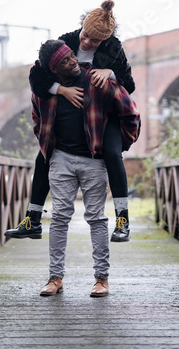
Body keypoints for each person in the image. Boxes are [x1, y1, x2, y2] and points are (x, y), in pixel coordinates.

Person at [5, 0, 136, 242]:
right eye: (85, 36)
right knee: (44, 153)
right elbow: (37, 75)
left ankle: (122, 221)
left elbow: (129, 86)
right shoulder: (66, 40)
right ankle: (32, 220)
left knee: (112, 154)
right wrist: (60, 90)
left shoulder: (114, 49)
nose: (86, 43)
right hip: (77, 111)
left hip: (107, 114)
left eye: (94, 41)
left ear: (104, 40)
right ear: (81, 28)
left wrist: (111, 72)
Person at [33, 40, 140, 297]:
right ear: (54, 69)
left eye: (72, 56)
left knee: (96, 218)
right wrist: (50, 145)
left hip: (94, 159)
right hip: (62, 159)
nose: (72, 61)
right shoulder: (45, 91)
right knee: (58, 218)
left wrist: (116, 144)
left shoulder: (96, 80)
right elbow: (37, 119)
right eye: (65, 61)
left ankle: (101, 279)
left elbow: (130, 112)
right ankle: (55, 278)